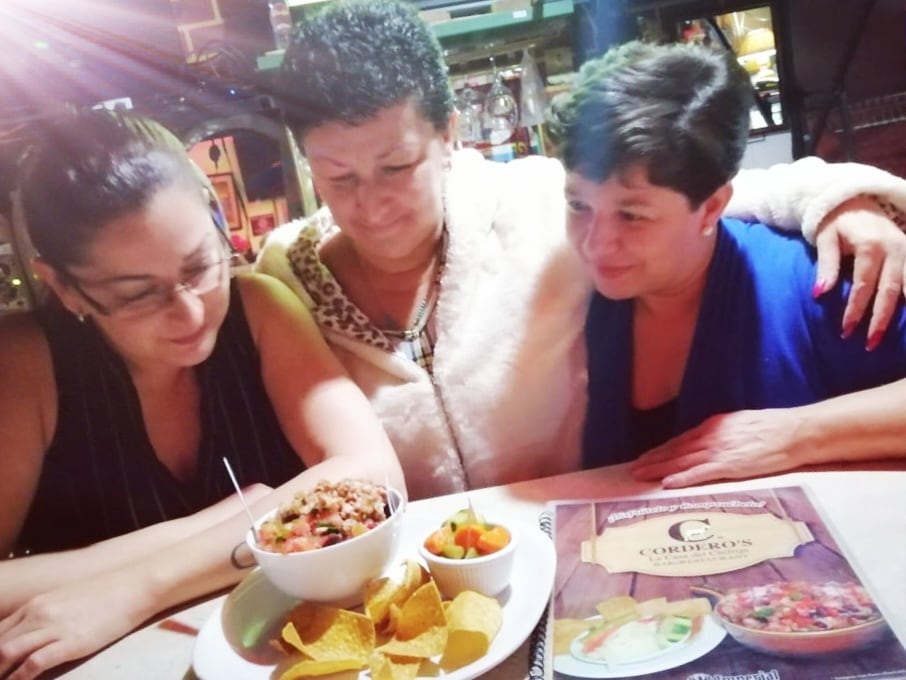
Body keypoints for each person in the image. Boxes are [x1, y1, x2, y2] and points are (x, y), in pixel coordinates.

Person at [257, 0, 906, 501]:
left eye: (397, 167)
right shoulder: (288, 282)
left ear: (449, 135)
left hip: (568, 551)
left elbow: (700, 192)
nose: (371, 205)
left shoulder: (533, 204)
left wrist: (843, 199)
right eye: (338, 177)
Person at [0, 110, 404, 679]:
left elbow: (374, 475)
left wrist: (137, 587)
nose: (190, 313)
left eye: (200, 265)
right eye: (138, 295)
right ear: (64, 287)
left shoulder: (258, 309)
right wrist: (229, 520)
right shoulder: (25, 364)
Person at [556, 41, 906, 487]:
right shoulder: (571, 298)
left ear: (711, 207)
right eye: (578, 205)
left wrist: (800, 434)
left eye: (631, 215)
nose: (595, 243)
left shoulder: (815, 283)